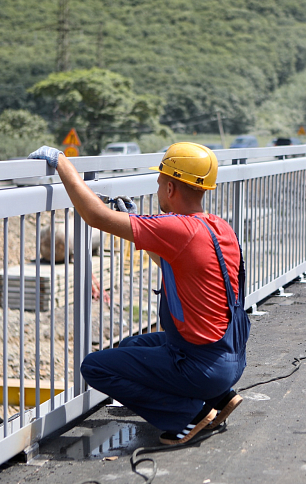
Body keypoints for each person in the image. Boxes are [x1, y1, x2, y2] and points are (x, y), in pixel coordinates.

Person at [28, 142, 250, 445]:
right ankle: (220, 398)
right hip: (230, 356)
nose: (158, 189)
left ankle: (189, 413)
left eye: (159, 183)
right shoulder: (217, 226)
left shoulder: (177, 230)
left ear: (171, 187)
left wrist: (61, 163)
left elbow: (95, 216)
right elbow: (175, 261)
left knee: (94, 367)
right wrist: (138, 221)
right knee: (133, 344)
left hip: (203, 367)